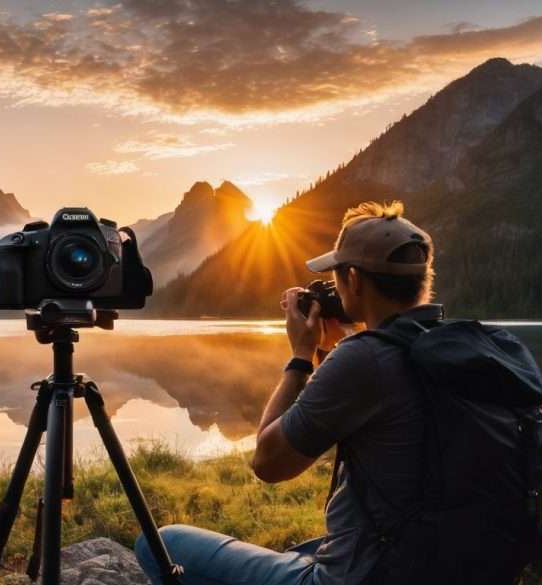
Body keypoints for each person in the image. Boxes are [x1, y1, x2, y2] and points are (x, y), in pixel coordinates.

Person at [136, 200, 439, 585]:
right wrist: (332, 352)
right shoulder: (454, 349)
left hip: (367, 576)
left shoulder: (364, 360)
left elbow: (269, 463)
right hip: (449, 561)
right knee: (302, 550)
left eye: (336, 278)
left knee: (161, 543)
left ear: (355, 280)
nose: (333, 287)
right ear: (423, 279)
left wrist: (301, 356)